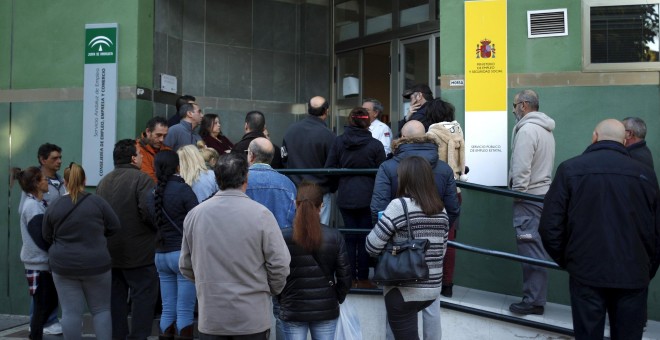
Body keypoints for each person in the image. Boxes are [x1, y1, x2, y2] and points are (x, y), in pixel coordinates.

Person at [539, 119, 660, 339]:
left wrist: (570, 261)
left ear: (595, 136)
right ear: (625, 140)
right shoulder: (646, 175)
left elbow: (549, 226)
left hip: (586, 272)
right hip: (633, 274)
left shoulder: (570, 169)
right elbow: (656, 230)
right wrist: (646, 268)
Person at [179, 152, 291, 338]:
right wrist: (268, 290)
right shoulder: (261, 215)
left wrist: (208, 286)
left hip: (212, 316)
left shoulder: (195, 215)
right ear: (246, 178)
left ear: (216, 178)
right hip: (251, 316)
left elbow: (186, 265)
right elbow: (280, 264)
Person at [371, 120, 458, 340]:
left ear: (401, 137)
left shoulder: (389, 166)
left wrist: (390, 238)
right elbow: (453, 209)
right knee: (431, 309)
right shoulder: (443, 168)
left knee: (397, 315)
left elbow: (377, 208)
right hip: (432, 267)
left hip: (399, 262)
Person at [43, 163, 120, 340]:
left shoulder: (54, 206)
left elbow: (46, 235)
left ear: (65, 181)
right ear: (85, 180)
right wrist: (98, 236)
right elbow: (115, 226)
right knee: (101, 310)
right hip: (97, 264)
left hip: (63, 265)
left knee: (70, 312)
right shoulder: (98, 202)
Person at [95, 139, 159, 340]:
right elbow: (149, 212)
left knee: (116, 299)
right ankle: (138, 337)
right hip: (140, 252)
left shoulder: (103, 182)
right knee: (142, 298)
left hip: (111, 252)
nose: (141, 157)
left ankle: (118, 336)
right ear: (133, 158)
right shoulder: (142, 180)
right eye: (140, 154)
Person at [278, 182, 352, 340]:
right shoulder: (335, 236)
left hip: (292, 306)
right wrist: (336, 297)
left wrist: (282, 298)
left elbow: (275, 273)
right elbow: (345, 276)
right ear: (322, 206)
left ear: (295, 204)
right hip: (325, 308)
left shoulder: (282, 236)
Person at [325, 107, 386, 288]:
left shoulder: (339, 142)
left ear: (350, 120)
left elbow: (330, 168)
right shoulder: (375, 145)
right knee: (366, 236)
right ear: (368, 122)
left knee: (350, 236)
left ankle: (349, 277)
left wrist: (336, 186)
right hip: (368, 196)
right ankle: (364, 277)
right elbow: (382, 173)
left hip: (346, 195)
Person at [508, 89, 555, 316]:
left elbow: (521, 168)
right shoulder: (545, 129)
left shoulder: (527, 130)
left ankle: (534, 301)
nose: (513, 109)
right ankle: (535, 298)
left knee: (530, 250)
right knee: (535, 248)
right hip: (541, 196)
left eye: (515, 105)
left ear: (524, 105)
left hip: (528, 199)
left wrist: (517, 194)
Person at [147, 150, 199, 340]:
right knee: (185, 310)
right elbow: (197, 219)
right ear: (178, 166)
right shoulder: (184, 190)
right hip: (182, 256)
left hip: (160, 256)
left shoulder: (151, 194)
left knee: (168, 309)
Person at [426, 97, 467, 298]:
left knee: (430, 238)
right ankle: (448, 283)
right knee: (450, 239)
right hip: (455, 191)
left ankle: (431, 279)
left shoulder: (432, 134)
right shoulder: (457, 131)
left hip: (434, 193)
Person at [13, 167, 56, 340]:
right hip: (38, 263)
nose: (47, 182)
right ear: (36, 184)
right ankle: (35, 336)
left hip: (42, 262)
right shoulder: (32, 206)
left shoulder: (39, 203)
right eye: (44, 179)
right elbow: (41, 238)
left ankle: (35, 334)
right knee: (42, 305)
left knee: (48, 303)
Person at [282, 96, 336, 225]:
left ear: (308, 110)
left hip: (296, 192)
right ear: (326, 111)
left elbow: (284, 159)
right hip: (320, 193)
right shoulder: (329, 136)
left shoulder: (290, 131)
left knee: (297, 232)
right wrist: (331, 187)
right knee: (320, 233)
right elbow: (334, 166)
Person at [246, 137, 297, 228]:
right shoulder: (288, 184)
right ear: (272, 157)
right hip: (280, 239)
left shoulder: (239, 181)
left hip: (247, 240)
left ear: (251, 155)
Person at [137, 116, 171, 182]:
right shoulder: (137, 149)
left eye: (165, 136)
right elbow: (148, 179)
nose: (162, 139)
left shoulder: (167, 150)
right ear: (148, 132)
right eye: (158, 135)